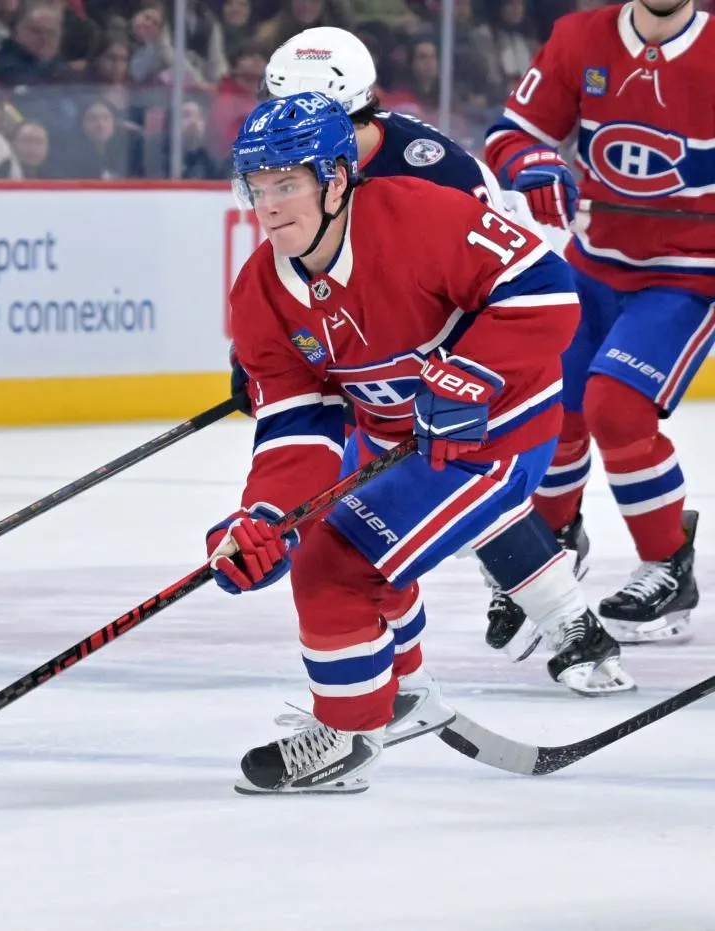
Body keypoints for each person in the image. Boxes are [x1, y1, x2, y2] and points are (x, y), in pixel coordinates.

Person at [211, 90, 603, 794]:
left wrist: (472, 377)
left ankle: (350, 734)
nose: (267, 206)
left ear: (336, 179)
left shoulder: (420, 214)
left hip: (497, 433)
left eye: (286, 184)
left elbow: (547, 291)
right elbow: (299, 426)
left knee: (335, 565)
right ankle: (398, 692)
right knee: (326, 540)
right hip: (401, 436)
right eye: (257, 186)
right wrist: (268, 518)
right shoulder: (258, 293)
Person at [244, 27, 631, 695]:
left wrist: (464, 370)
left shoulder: (433, 172)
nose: (282, 133)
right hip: (383, 374)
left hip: (470, 364)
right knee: (361, 514)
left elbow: (505, 290)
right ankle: (535, 636)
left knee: (417, 502)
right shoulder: (295, 174)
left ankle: (549, 628)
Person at [485, 0, 713, 644]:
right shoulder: (579, 37)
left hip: (689, 275)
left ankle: (670, 565)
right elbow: (512, 134)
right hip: (594, 266)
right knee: (551, 408)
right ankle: (549, 558)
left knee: (616, 408)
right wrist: (532, 164)